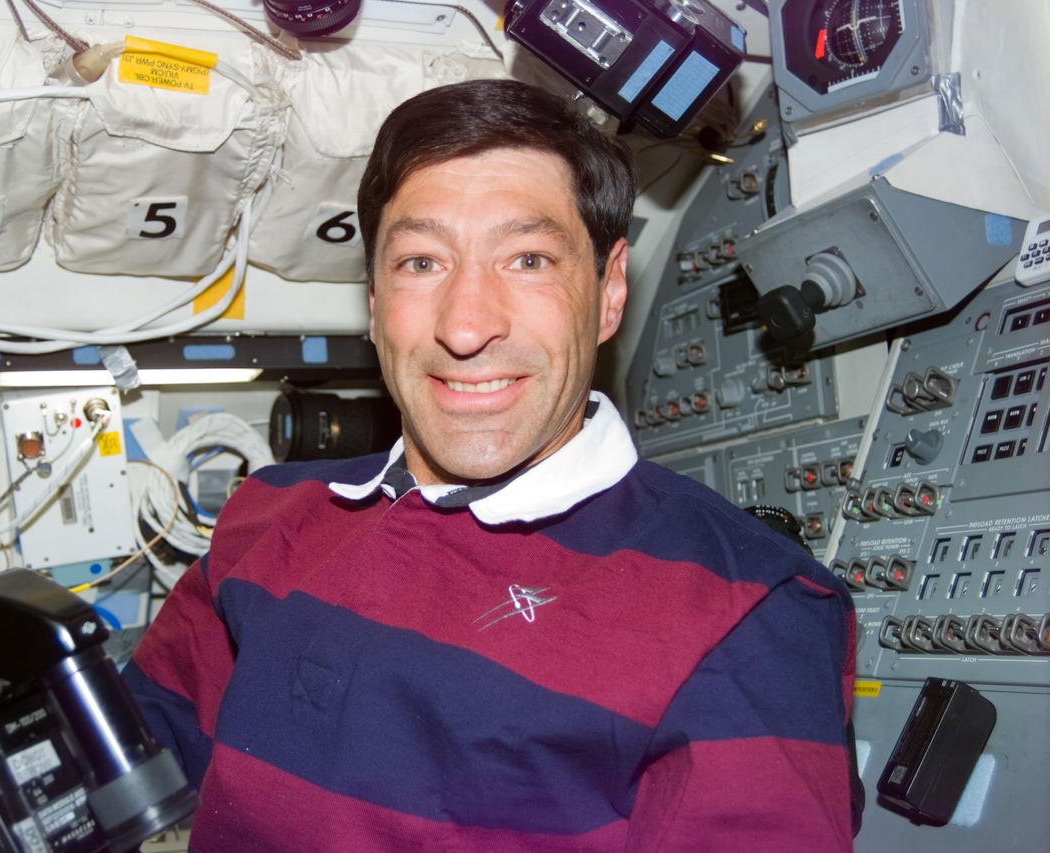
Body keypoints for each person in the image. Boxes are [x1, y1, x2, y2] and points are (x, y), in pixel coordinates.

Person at [123, 78, 856, 851]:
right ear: (374, 303)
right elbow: (118, 770)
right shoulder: (267, 515)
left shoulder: (745, 609)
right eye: (421, 263)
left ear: (609, 292)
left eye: (528, 257)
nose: (467, 326)